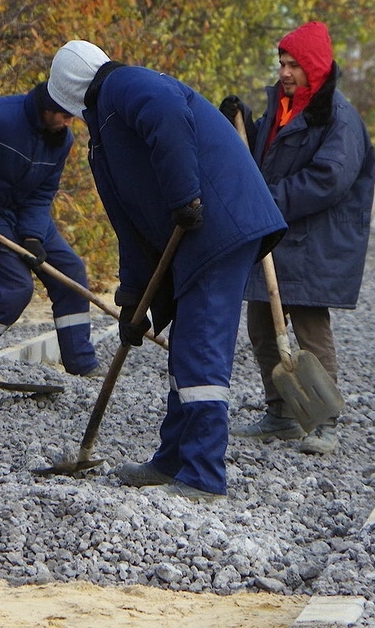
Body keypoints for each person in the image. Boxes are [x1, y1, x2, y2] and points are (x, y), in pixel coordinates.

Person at [47, 40, 287, 502]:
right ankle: (174, 458)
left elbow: (167, 116)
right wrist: (134, 300)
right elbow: (130, 226)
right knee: (186, 348)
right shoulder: (106, 135)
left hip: (222, 225)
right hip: (201, 235)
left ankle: (202, 473)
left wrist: (183, 196)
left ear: (72, 93)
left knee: (200, 347)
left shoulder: (128, 84)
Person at [220, 21, 375, 455]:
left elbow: (328, 180)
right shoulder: (283, 106)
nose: (285, 72)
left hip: (315, 242)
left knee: (310, 328)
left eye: (294, 65)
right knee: (261, 327)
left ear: (315, 67)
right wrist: (242, 126)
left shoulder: (338, 118)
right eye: (282, 63)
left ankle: (326, 421)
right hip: (278, 235)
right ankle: (283, 414)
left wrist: (268, 199)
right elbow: (262, 161)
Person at [0, 83, 103, 378]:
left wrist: (32, 237)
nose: (69, 123)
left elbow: (42, 194)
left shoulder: (61, 141)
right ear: (47, 109)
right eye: (66, 116)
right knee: (16, 290)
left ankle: (81, 362)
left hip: (26, 214)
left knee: (71, 272)